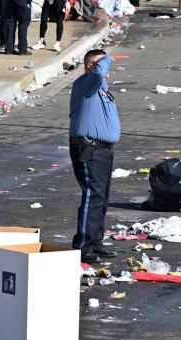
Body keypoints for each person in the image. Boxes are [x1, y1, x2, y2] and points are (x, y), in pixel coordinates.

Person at [69, 49, 120, 263]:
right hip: (88, 147)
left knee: (102, 196)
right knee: (92, 195)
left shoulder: (100, 88)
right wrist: (106, 59)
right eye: (101, 63)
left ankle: (95, 240)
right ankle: (83, 244)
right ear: (91, 65)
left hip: (103, 148)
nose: (106, 70)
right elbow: (98, 74)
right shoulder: (85, 83)